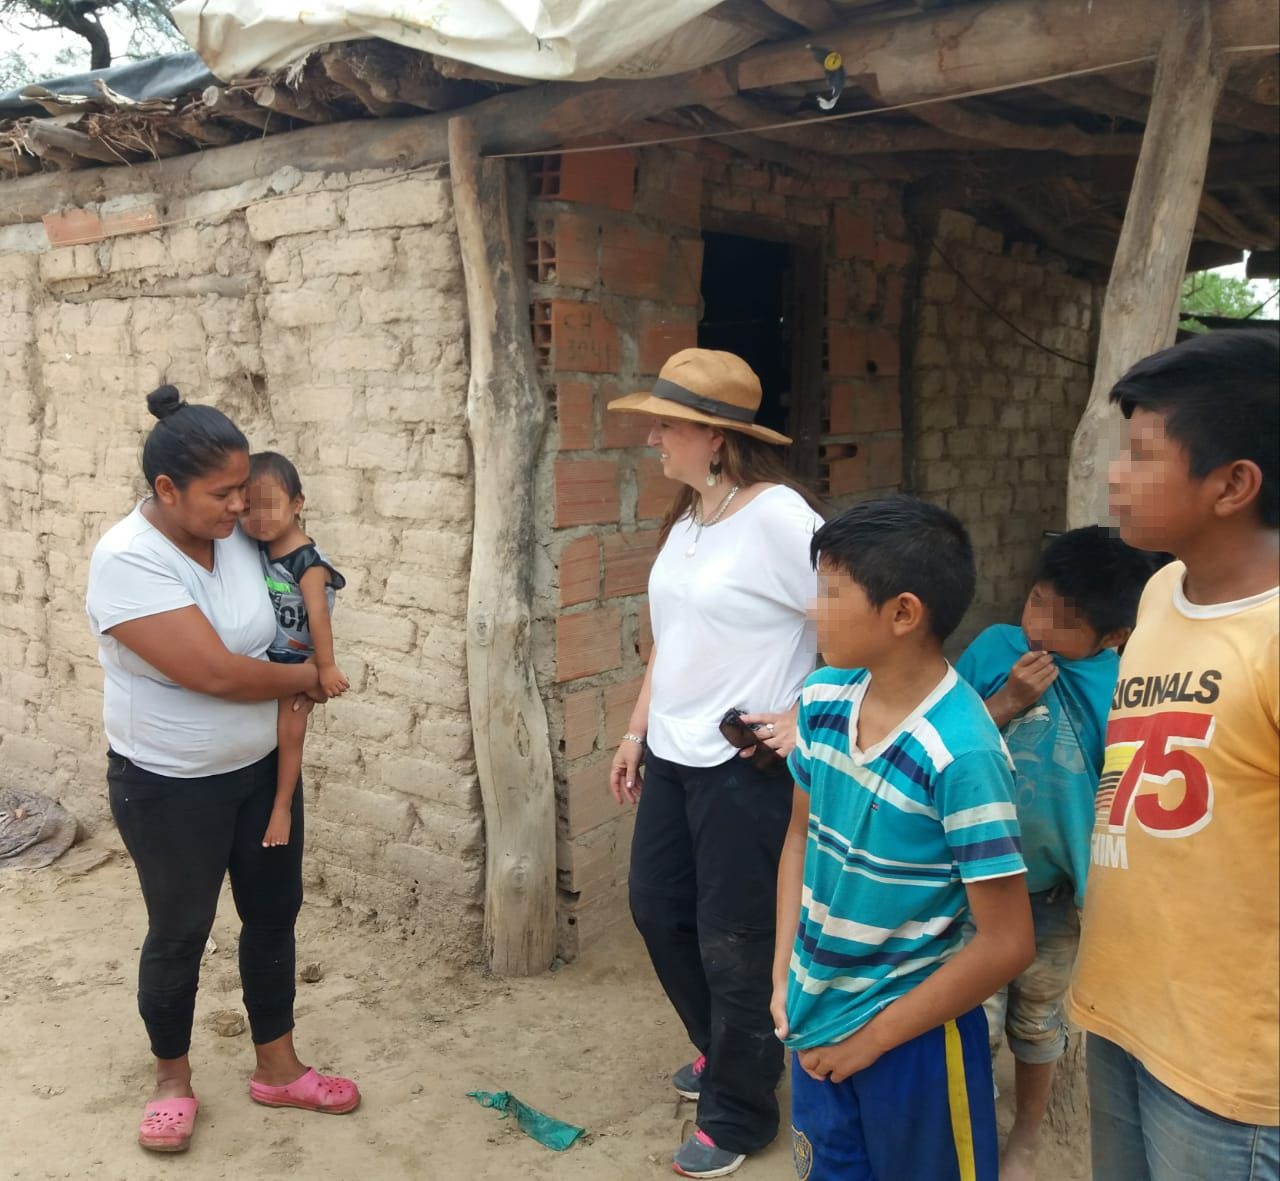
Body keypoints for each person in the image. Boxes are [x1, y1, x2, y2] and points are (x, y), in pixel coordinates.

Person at [86, 386, 359, 1155]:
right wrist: (308, 679)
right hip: (169, 783)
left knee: (273, 914)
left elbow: (299, 586)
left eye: (245, 488)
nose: (240, 505)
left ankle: (278, 1065)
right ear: (167, 489)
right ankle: (172, 1080)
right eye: (222, 492)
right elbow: (212, 671)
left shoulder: (240, 536)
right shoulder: (128, 559)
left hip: (261, 771)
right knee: (181, 930)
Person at [605, 348, 825, 1178]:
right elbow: (672, 641)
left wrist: (805, 711)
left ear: (717, 438)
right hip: (672, 753)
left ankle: (739, 1111)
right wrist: (635, 730)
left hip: (744, 765)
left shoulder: (779, 518)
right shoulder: (691, 519)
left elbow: (851, 617)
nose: (653, 437)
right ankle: (730, 1049)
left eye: (667, 425)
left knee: (736, 937)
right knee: (656, 905)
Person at [773, 495, 1036, 1181]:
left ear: (902, 613)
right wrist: (783, 977)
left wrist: (872, 1041)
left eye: (831, 593)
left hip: (914, 1039)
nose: (812, 609)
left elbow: (1008, 941)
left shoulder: (962, 753)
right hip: (814, 1016)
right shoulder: (823, 700)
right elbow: (800, 839)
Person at [1069, 329, 1279, 1181]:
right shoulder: (1160, 591)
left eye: (1143, 455)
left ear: (1233, 484)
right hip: (1126, 1008)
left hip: (1230, 1064)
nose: (1115, 475)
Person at [955, 526, 1157, 1181]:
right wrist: (1007, 701)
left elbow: (1122, 801)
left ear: (1113, 636)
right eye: (1036, 600)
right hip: (976, 883)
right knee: (968, 1014)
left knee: (1039, 1020)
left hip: (1057, 897)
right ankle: (972, 1125)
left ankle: (1026, 1133)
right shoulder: (996, 649)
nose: (1038, 626)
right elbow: (940, 743)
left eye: (1063, 621)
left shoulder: (1121, 688)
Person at [241, 451, 349, 849]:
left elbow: (319, 615)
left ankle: (282, 806)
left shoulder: (308, 562)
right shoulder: (259, 548)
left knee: (291, 730)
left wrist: (326, 666)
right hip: (268, 654)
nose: (258, 517)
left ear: (297, 503)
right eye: (248, 508)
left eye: (269, 505)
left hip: (298, 657)